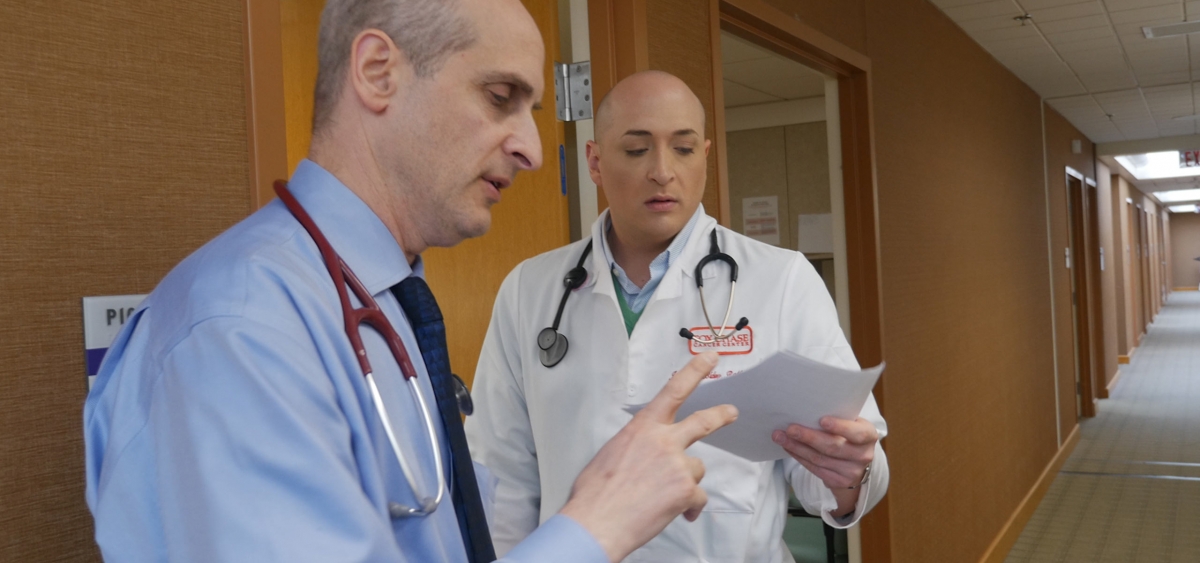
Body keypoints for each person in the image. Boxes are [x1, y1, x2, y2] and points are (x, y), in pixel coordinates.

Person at [82, 1, 738, 562]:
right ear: (378, 72)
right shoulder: (240, 329)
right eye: (501, 97)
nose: (533, 149)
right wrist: (594, 525)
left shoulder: (384, 303)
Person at [464, 70, 889, 562]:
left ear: (706, 158)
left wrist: (850, 474)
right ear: (595, 162)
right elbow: (503, 476)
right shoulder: (530, 290)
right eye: (637, 149)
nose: (662, 171)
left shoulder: (781, 280)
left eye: (683, 149)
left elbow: (844, 468)